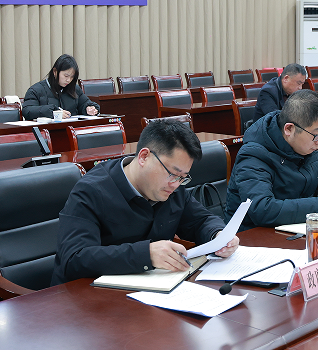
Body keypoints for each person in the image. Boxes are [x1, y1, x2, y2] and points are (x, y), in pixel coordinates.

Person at [52, 119, 238, 285]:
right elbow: (74, 259)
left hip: (150, 293)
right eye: (172, 174)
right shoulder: (91, 191)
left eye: (182, 177)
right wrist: (146, 254)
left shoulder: (171, 188)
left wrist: (218, 235)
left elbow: (200, 220)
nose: (175, 184)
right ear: (143, 157)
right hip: (86, 299)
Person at [225, 90, 318, 231]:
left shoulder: (310, 149)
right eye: (316, 135)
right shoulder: (254, 155)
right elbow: (262, 209)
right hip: (252, 237)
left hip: (295, 231)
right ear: (289, 129)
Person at [23, 54, 100, 119]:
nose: (69, 80)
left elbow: (85, 103)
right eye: (66, 76)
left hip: (72, 129)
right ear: (55, 72)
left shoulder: (74, 89)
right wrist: (53, 112)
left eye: (72, 77)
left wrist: (89, 108)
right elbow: (27, 111)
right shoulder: (36, 90)